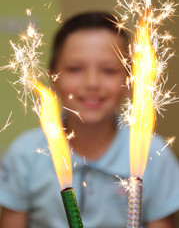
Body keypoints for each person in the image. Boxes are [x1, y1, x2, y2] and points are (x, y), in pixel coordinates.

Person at [0, 12, 179, 228]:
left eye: (109, 70)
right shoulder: (24, 154)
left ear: (129, 79)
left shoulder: (155, 156)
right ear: (53, 77)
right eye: (75, 69)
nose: (92, 83)